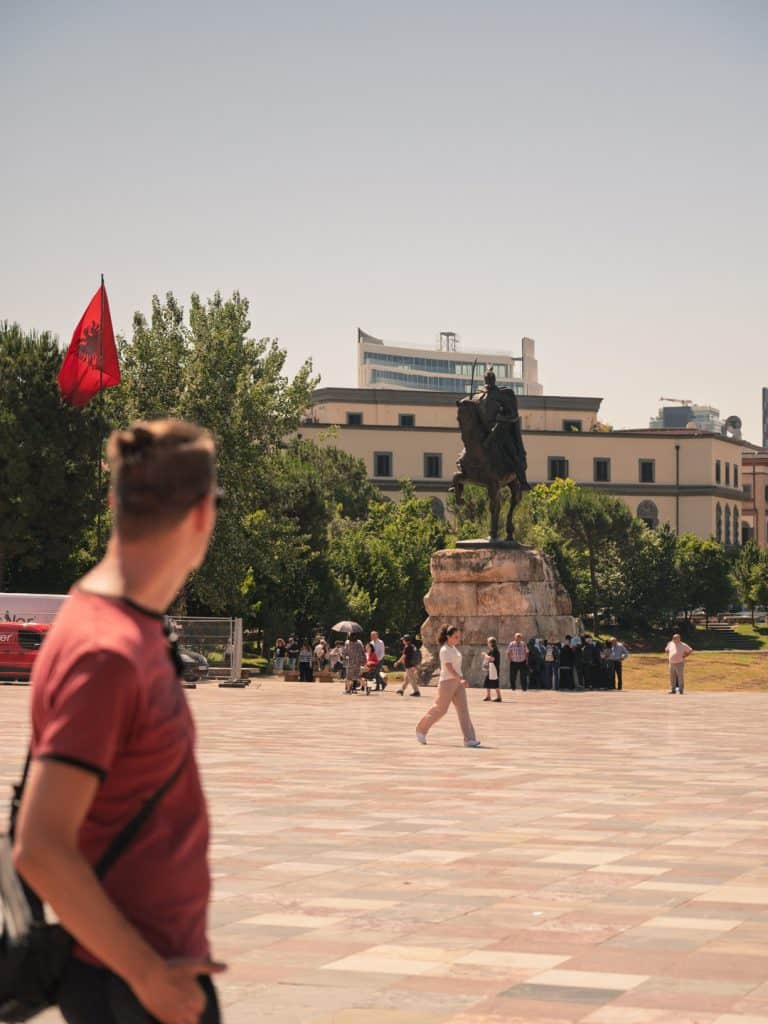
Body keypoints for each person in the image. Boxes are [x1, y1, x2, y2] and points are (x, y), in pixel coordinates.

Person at [13, 419, 225, 1024]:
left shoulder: (120, 627)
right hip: (133, 984)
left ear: (115, 502)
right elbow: (40, 846)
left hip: (147, 973)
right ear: (202, 514)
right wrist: (148, 976)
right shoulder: (106, 652)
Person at [416, 625, 480, 747]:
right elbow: (448, 667)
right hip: (447, 683)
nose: (458, 639)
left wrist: (460, 680)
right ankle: (421, 730)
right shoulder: (444, 650)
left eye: (459, 637)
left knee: (463, 710)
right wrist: (460, 679)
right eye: (455, 637)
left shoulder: (454, 649)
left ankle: (469, 739)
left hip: (458, 683)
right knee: (440, 709)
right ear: (448, 637)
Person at [481, 636, 501, 702]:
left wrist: (485, 655)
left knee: (495, 682)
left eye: (488, 642)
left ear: (491, 643)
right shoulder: (491, 650)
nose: (487, 643)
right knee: (487, 682)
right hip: (491, 669)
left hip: (494, 669)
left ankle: (499, 697)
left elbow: (492, 659)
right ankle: (488, 696)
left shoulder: (495, 651)